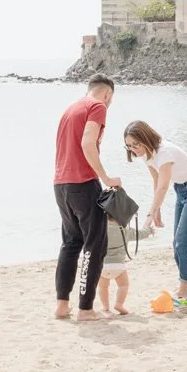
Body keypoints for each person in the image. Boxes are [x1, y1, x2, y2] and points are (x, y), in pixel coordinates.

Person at [53, 74, 121, 322]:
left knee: (70, 244)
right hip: (83, 182)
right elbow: (88, 143)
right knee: (95, 245)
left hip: (61, 184)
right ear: (107, 94)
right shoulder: (97, 106)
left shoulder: (70, 108)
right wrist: (105, 177)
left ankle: (62, 306)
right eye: (111, 100)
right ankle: (85, 309)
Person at [123, 120, 187, 300]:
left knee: (184, 240)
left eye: (136, 144)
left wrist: (149, 216)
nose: (133, 149)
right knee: (177, 242)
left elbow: (163, 186)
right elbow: (156, 181)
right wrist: (157, 211)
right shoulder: (146, 154)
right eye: (128, 146)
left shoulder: (165, 152)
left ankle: (184, 287)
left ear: (145, 138)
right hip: (182, 190)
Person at [97, 216, 156, 315]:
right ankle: (119, 304)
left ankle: (105, 306)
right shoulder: (125, 229)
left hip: (102, 266)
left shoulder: (99, 229)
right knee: (123, 285)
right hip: (118, 267)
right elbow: (140, 234)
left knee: (103, 287)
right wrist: (149, 230)